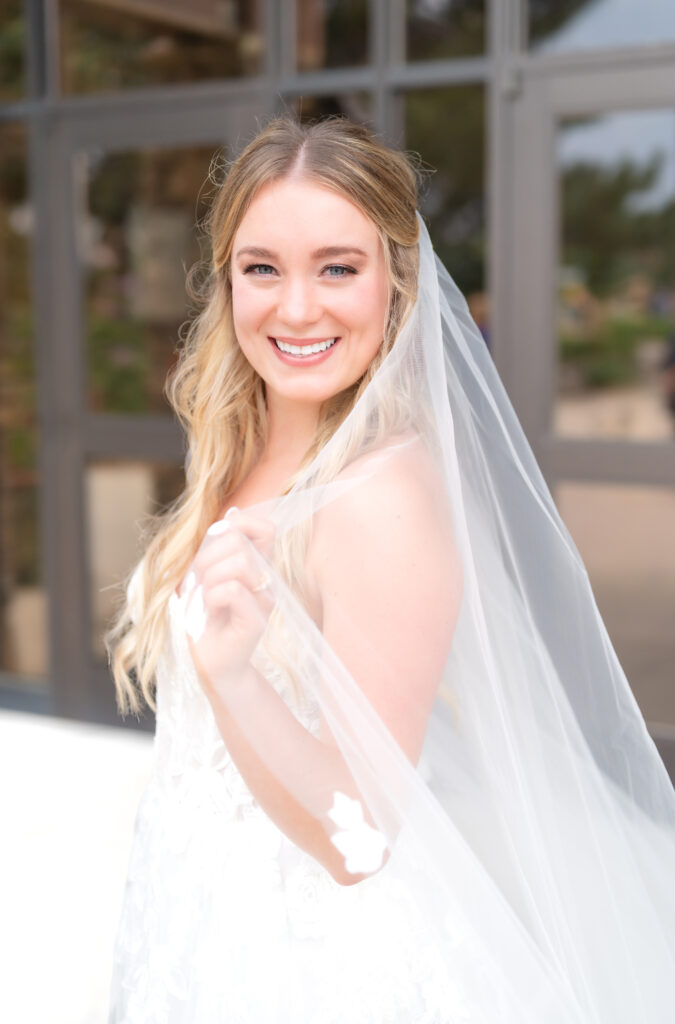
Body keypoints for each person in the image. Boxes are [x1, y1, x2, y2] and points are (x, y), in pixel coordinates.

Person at [107, 117, 675, 1023]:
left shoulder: (380, 500)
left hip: (310, 962)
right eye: (263, 268)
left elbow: (358, 840)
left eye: (338, 267)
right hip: (204, 906)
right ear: (227, 282)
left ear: (395, 283)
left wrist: (232, 677)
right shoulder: (239, 451)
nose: (296, 309)